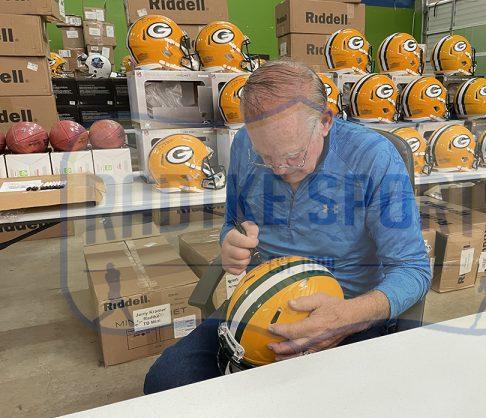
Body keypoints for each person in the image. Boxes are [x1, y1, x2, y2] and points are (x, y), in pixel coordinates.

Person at [144, 60, 431, 394]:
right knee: (167, 383)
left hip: (349, 305)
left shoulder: (373, 157)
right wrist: (231, 243)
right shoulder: (245, 144)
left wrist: (347, 316)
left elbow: (413, 269)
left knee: (320, 405)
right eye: (266, 157)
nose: (279, 169)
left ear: (325, 122)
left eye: (294, 155)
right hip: (267, 297)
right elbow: (233, 224)